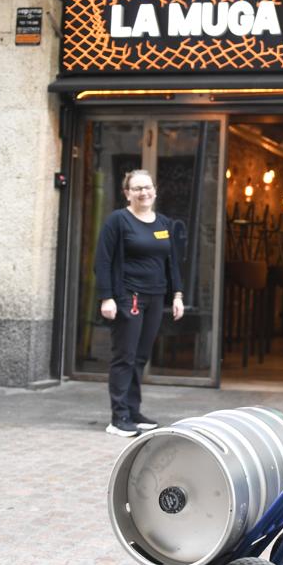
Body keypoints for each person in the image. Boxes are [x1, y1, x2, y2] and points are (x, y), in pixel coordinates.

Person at [94, 168, 185, 437]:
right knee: (125, 356)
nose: (143, 192)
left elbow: (172, 263)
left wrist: (177, 295)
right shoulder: (118, 221)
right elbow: (103, 260)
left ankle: (133, 411)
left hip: (155, 297)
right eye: (137, 188)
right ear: (127, 193)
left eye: (147, 187)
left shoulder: (163, 223)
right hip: (127, 296)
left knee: (140, 356)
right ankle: (118, 416)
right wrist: (106, 297)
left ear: (155, 191)